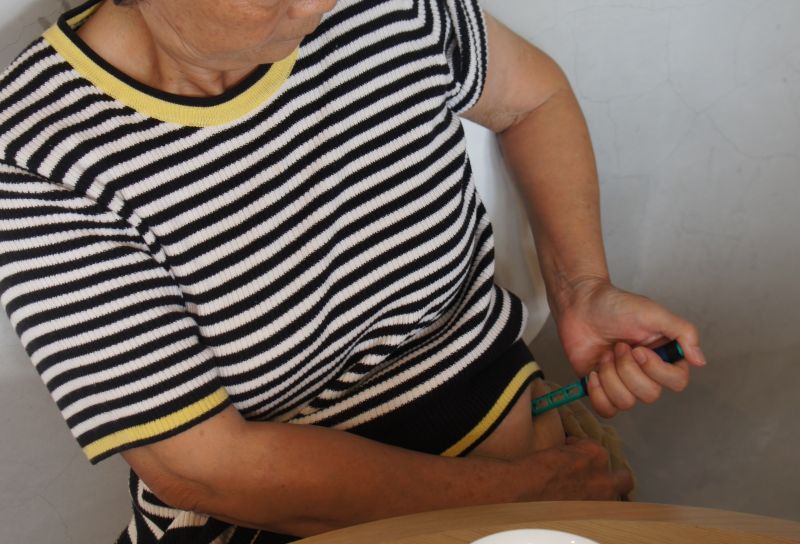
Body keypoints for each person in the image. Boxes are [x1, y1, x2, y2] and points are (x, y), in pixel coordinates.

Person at [0, 0, 705, 542]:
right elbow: (203, 468)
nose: (324, 4)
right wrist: (512, 497)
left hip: (532, 464)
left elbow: (532, 99)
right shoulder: (38, 157)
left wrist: (582, 289)